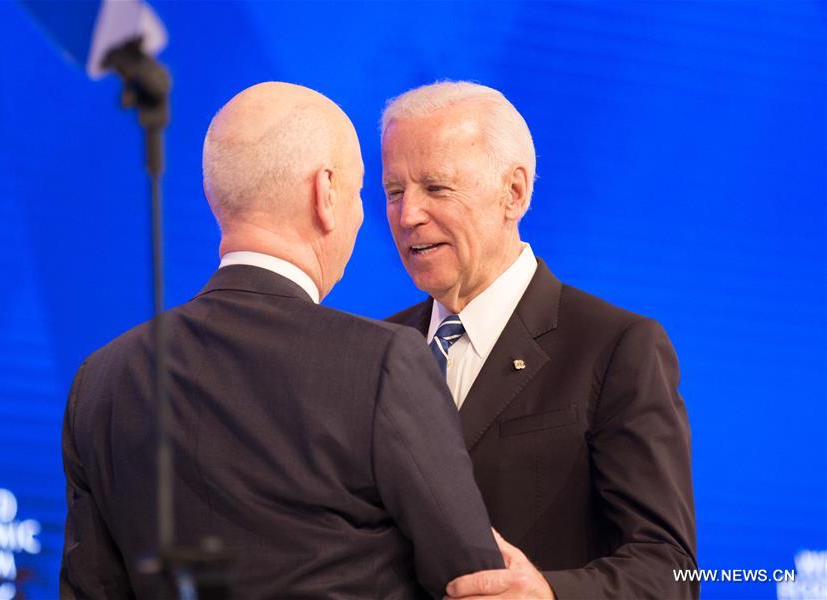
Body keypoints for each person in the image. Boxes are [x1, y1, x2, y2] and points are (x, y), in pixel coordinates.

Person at [60, 81, 503, 599]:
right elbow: (477, 584)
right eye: (363, 192)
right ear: (326, 194)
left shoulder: (103, 379)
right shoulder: (383, 362)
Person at [381, 81, 698, 599]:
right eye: (395, 191)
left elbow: (670, 572)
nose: (407, 214)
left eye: (436, 188)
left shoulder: (616, 347)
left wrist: (549, 595)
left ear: (514, 193)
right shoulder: (376, 350)